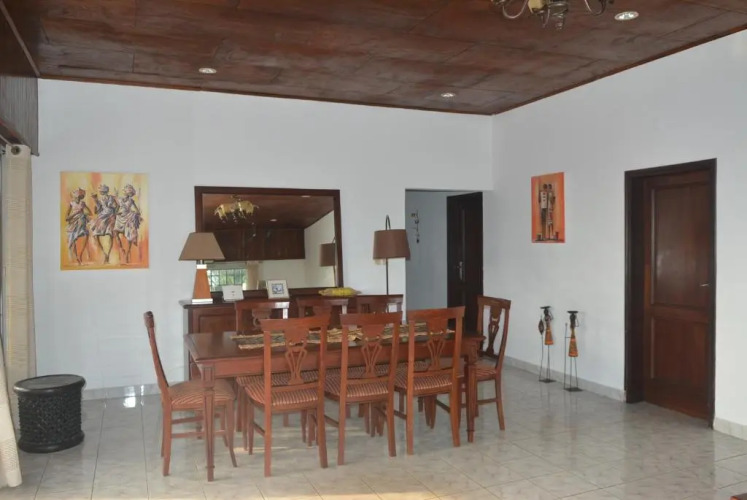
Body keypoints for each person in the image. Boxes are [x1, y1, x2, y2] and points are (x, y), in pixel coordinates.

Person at [113, 184, 142, 263]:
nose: (128, 194)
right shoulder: (119, 199)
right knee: (115, 233)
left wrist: (136, 213)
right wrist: (116, 213)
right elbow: (116, 210)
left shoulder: (131, 201)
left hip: (128, 217)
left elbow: (137, 210)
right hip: (120, 218)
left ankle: (127, 254)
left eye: (130, 193)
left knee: (129, 236)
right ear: (125, 192)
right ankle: (121, 248)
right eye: (127, 192)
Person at [90, 184, 118, 264]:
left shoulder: (111, 197)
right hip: (102, 216)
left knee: (110, 234)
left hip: (110, 216)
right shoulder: (100, 199)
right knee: (96, 234)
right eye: (101, 191)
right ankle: (105, 254)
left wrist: (114, 212)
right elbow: (98, 209)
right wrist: (95, 200)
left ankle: (107, 255)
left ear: (106, 191)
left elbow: (115, 206)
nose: (101, 192)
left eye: (102, 191)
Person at [65, 188, 91, 264]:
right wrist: (76, 213)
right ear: (74, 197)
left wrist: (83, 213)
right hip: (73, 222)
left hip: (81, 222)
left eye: (80, 197)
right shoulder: (71, 204)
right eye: (77, 197)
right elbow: (66, 218)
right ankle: (77, 257)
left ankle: (80, 255)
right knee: (73, 239)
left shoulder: (82, 203)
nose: (78, 198)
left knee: (86, 234)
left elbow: (90, 212)